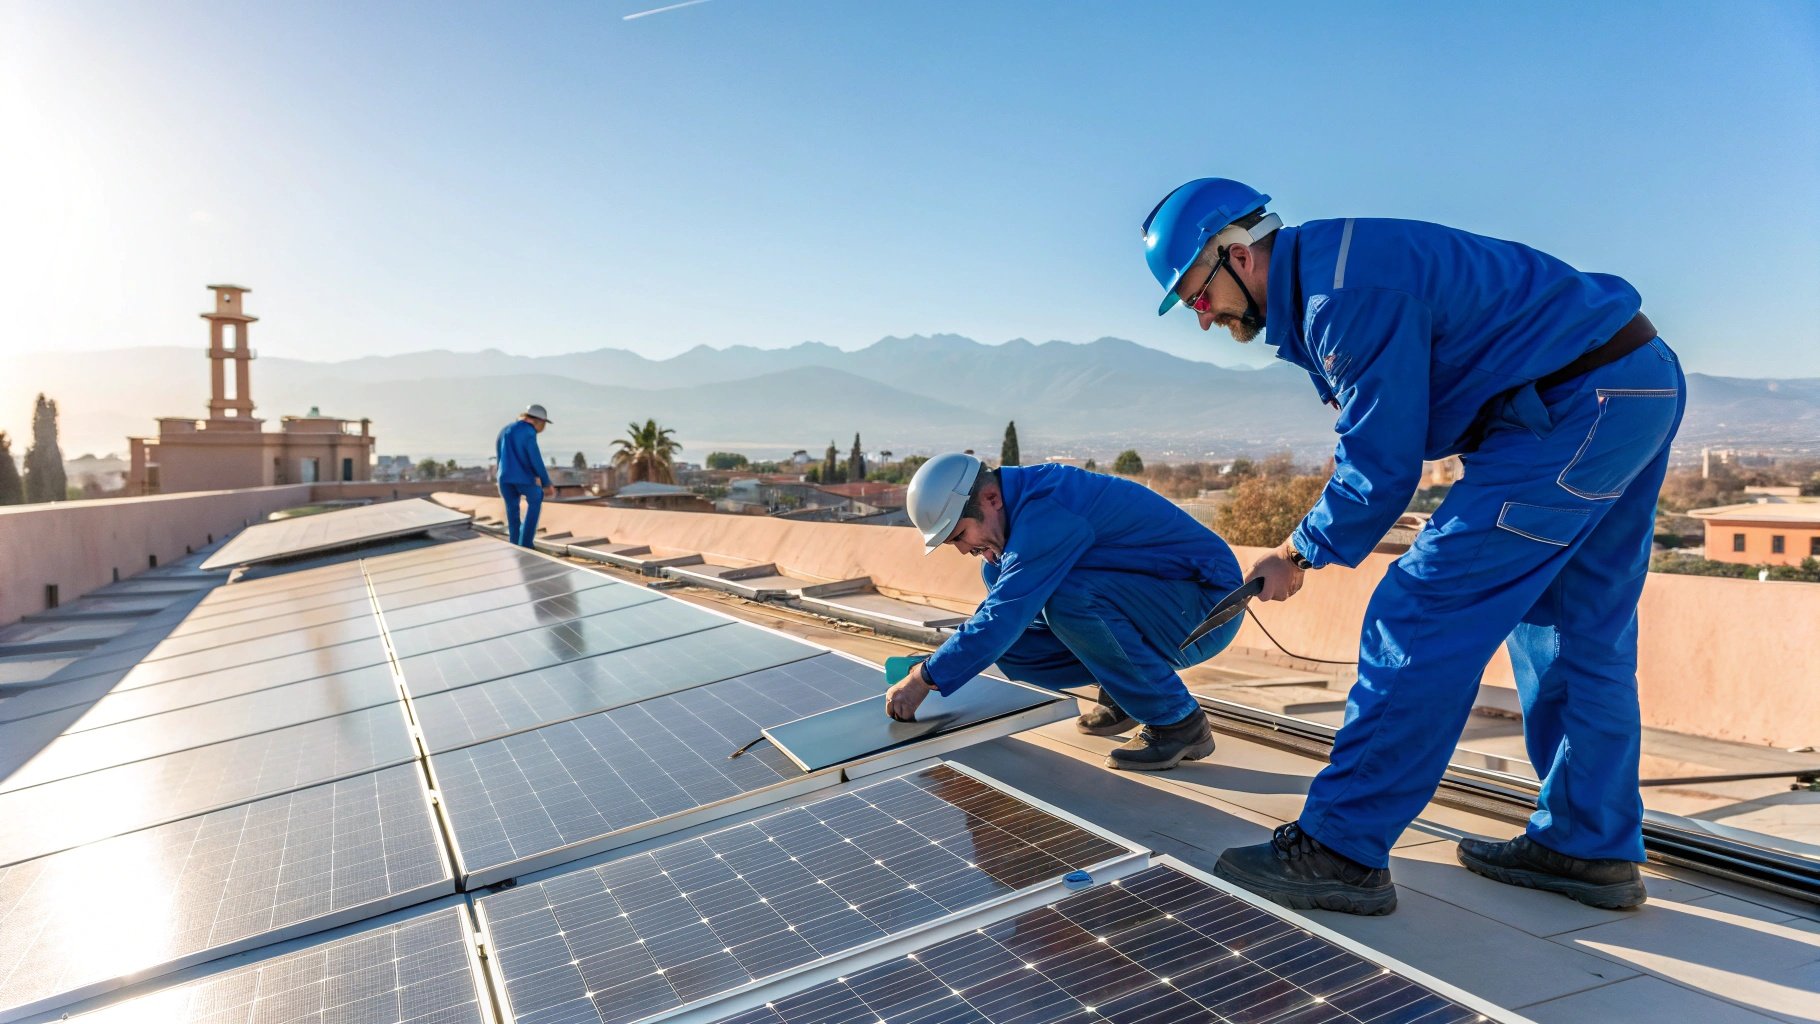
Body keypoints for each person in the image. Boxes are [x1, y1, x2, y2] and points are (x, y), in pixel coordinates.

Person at [1139, 178, 1683, 915]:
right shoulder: (1334, 268)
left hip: (1574, 406)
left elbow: (1381, 467)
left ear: (1237, 255)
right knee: (1572, 627)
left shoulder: (1343, 297)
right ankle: (1586, 845)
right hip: (1628, 385)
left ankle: (1340, 848)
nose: (1203, 319)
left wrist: (1296, 553)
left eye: (1199, 297)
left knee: (1420, 608)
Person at [884, 453, 1245, 771]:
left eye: (960, 535)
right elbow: (1004, 624)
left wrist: (924, 678)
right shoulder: (1021, 504)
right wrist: (948, 664)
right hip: (1164, 601)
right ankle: (1127, 692)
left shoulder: (1046, 513)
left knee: (1065, 599)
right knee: (1000, 586)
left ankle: (1179, 722)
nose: (963, 549)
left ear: (991, 498)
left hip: (1204, 610)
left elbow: (1001, 616)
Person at [496, 403, 554, 548]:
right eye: (544, 424)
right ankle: (526, 543)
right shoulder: (529, 432)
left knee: (512, 511)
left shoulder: (505, 430)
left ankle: (515, 545)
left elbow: (499, 457)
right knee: (536, 498)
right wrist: (546, 482)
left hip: (504, 479)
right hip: (522, 478)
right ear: (539, 421)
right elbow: (535, 458)